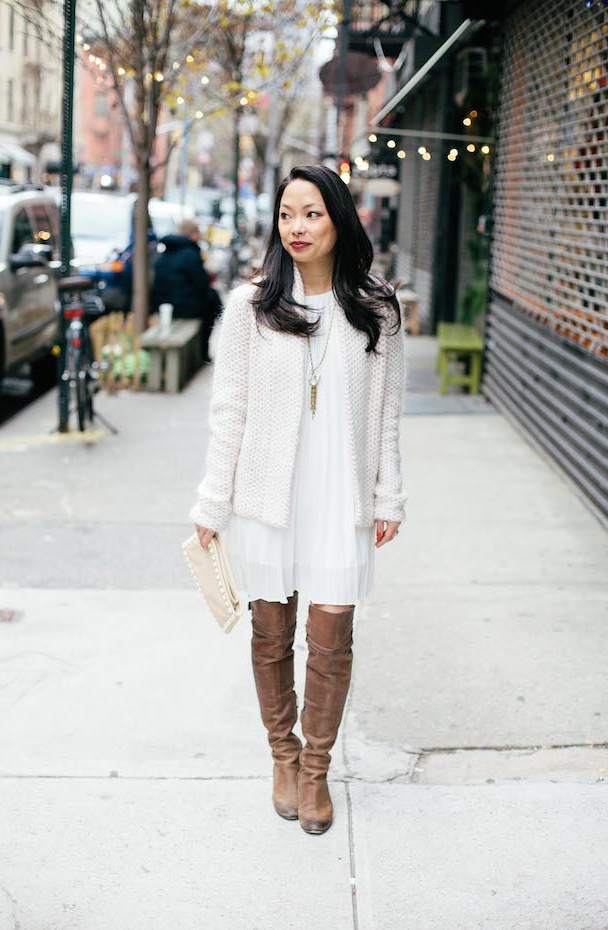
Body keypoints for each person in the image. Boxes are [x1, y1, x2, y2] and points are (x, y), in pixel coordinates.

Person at [190, 165, 407, 835]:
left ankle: (316, 770)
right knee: (271, 633)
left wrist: (388, 495)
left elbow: (389, 414)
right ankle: (282, 757)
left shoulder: (377, 309)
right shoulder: (249, 308)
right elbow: (229, 412)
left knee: (332, 639)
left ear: (339, 219)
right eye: (287, 214)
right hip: (267, 498)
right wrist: (211, 504)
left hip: (339, 499)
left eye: (311, 213)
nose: (297, 228)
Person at [152, 218, 220, 362]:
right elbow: (202, 285)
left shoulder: (165, 252)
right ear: (193, 234)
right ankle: (202, 353)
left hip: (165, 306)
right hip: (186, 308)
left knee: (211, 299)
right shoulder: (191, 254)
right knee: (213, 300)